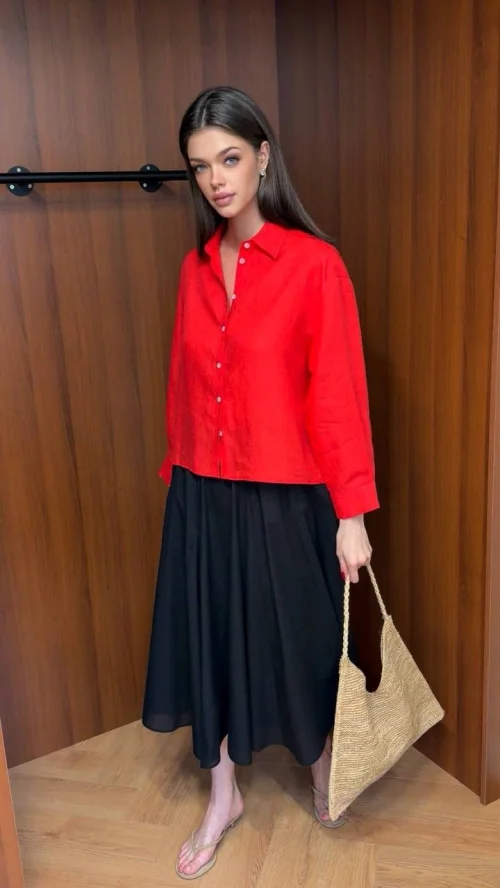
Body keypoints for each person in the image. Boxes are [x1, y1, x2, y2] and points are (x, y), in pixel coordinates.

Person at [142, 85, 378, 880]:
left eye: (230, 158)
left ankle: (320, 763)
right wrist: (179, 476)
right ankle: (223, 797)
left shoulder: (315, 266)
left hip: (284, 494)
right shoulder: (194, 269)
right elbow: (182, 382)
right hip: (203, 491)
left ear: (263, 157)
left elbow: (337, 393)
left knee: (300, 639)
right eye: (200, 166)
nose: (216, 179)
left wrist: (351, 513)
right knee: (206, 642)